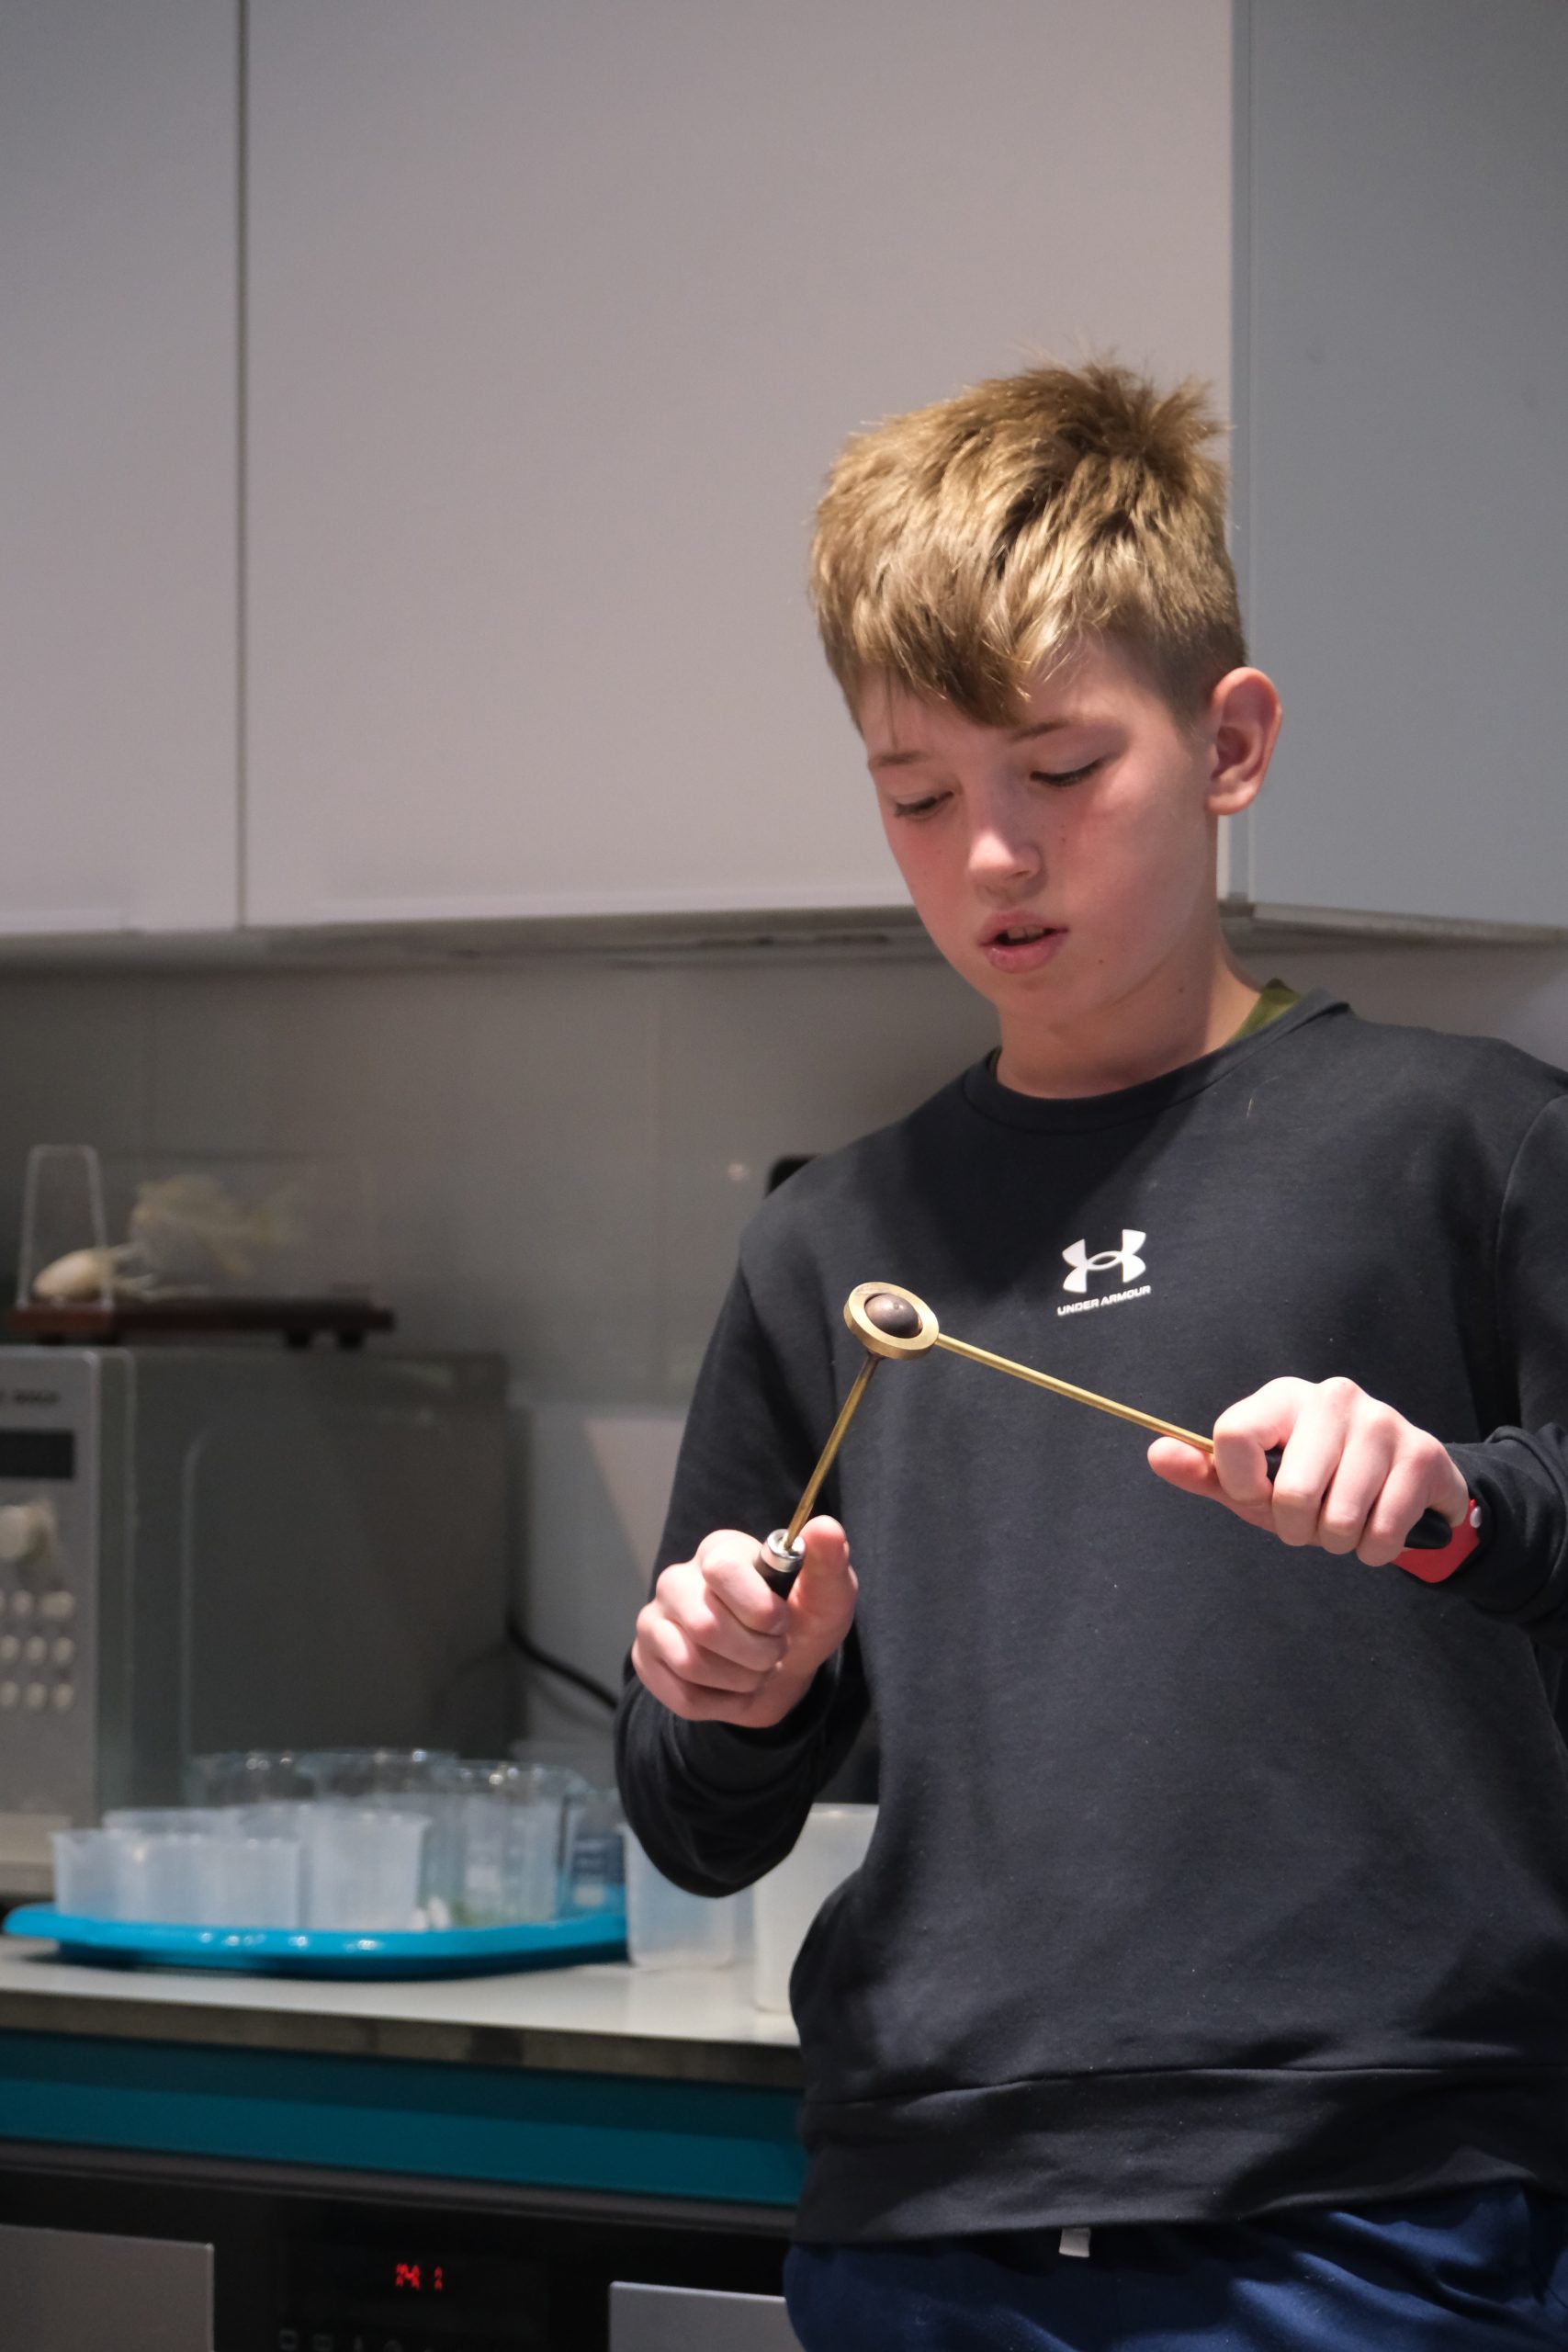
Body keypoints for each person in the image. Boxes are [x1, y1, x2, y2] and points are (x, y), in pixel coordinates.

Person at [614, 358, 1568, 2347]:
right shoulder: (830, 1243)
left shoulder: (1465, 1143)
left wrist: (1457, 1504)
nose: (990, 855)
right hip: (924, 2216)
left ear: (1231, 742)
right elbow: (694, 1815)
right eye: (917, 796)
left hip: (1376, 2205)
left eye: (1058, 771)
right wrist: (730, 1687)